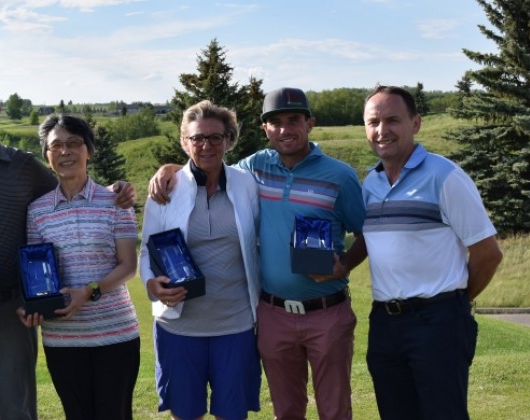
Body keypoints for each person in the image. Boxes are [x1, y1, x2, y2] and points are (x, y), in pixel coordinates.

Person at [0, 75, 135, 420]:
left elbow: (72, 182)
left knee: (17, 412)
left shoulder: (25, 166)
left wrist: (116, 191)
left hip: (13, 308)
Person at [149, 88, 367, 420]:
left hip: (326, 312)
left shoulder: (339, 175)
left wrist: (344, 266)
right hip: (273, 314)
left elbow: (367, 232)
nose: (285, 129)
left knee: (334, 409)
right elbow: (206, 165)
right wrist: (170, 169)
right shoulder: (255, 169)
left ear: (310, 123)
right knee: (286, 410)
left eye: (294, 120)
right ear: (265, 129)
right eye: (275, 122)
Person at [361, 85, 503, 420]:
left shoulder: (445, 176)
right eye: (373, 122)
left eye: (393, 120)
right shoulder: (371, 184)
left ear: (416, 123)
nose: (382, 130)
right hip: (384, 323)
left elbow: (488, 253)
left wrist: (455, 302)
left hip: (437, 321)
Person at [140, 100, 262, 420]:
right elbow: (146, 251)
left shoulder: (247, 183)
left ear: (229, 140)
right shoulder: (165, 188)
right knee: (185, 414)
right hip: (178, 326)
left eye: (215, 138)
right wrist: (152, 285)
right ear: (184, 141)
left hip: (235, 324)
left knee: (232, 414)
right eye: (197, 138)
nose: (206, 145)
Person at [17, 114, 140, 420]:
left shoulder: (116, 200)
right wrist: (32, 305)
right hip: (63, 337)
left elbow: (129, 266)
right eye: (55, 145)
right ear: (47, 156)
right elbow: (36, 273)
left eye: (74, 143)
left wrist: (90, 290)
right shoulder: (37, 211)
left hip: (115, 334)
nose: (65, 151)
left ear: (88, 150)